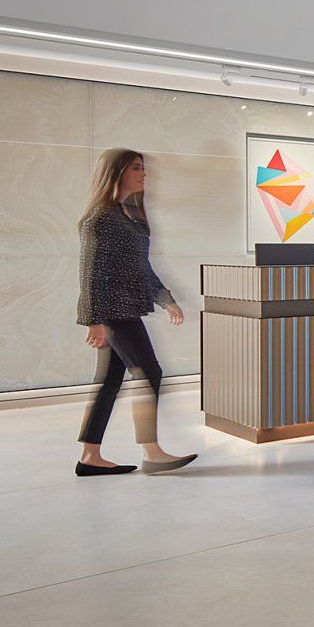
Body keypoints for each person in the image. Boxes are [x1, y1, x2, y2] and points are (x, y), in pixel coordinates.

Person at [75, 148, 197, 477]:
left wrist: (165, 299)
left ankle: (90, 455)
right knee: (149, 372)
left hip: (125, 309)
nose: (144, 174)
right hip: (114, 313)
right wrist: (94, 320)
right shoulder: (100, 218)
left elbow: (140, 268)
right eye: (135, 168)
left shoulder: (126, 215)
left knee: (109, 382)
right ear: (116, 172)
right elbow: (90, 273)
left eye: (143, 168)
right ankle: (152, 451)